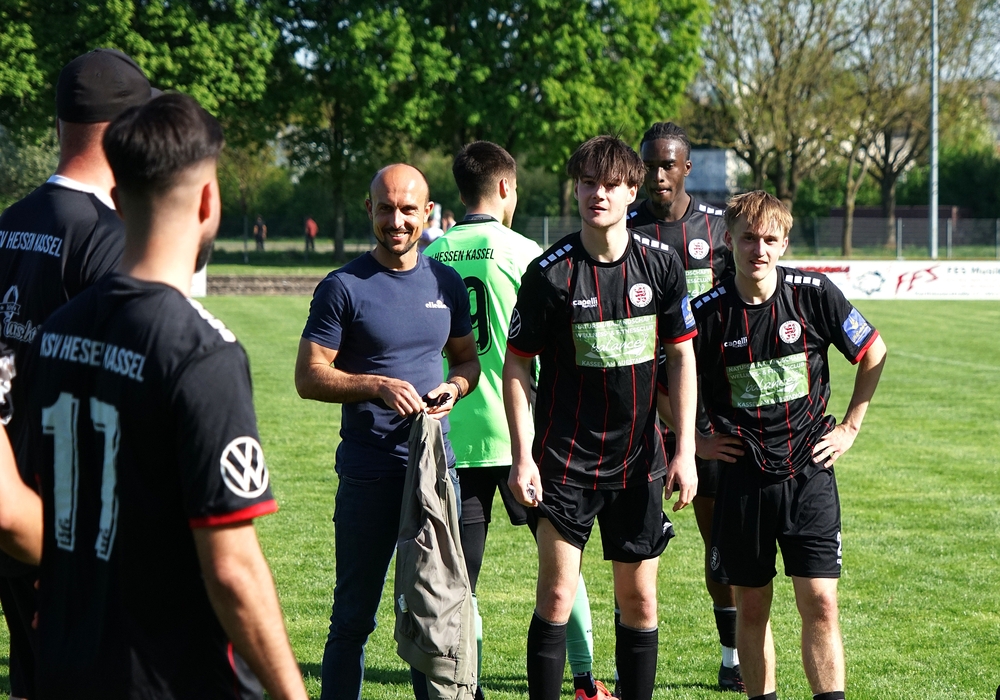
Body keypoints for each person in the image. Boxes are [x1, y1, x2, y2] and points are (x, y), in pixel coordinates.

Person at [0, 93, 308, 699]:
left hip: (67, 668)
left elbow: (33, 513)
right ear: (208, 201)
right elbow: (232, 569)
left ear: (115, 199)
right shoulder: (202, 354)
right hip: (170, 679)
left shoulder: (54, 333)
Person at [504, 135, 699, 700]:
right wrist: (522, 457)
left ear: (632, 190)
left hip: (639, 463)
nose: (598, 194)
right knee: (556, 596)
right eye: (588, 183)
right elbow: (516, 366)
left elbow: (681, 355)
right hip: (565, 461)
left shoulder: (661, 265)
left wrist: (685, 449)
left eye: (611, 184)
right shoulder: (549, 274)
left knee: (640, 601)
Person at [425, 141, 607, 700]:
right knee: (562, 566)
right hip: (525, 433)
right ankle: (584, 679)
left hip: (455, 435)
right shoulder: (527, 252)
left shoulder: (433, 253)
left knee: (462, 581)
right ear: (505, 187)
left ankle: (470, 686)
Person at [0, 47, 155, 700]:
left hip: (11, 504)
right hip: (72, 524)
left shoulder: (10, 223)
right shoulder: (110, 237)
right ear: (126, 132)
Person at [294, 163, 481, 700]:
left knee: (434, 610)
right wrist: (375, 385)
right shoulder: (343, 286)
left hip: (433, 474)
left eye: (407, 210)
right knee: (353, 618)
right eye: (385, 209)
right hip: (369, 475)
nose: (395, 221)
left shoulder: (446, 282)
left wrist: (455, 388)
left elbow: (466, 361)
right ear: (369, 209)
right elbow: (309, 376)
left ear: (428, 213)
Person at [691, 191, 887, 700]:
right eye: (748, 239)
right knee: (753, 606)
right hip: (744, 478)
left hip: (809, 474)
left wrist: (850, 427)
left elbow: (874, 351)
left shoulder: (814, 294)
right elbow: (666, 381)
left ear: (784, 242)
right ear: (729, 241)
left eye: (769, 239)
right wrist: (695, 439)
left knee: (820, 602)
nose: (758, 249)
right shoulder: (706, 314)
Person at [625, 121, 741, 692]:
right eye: (649, 165)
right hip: (641, 407)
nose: (658, 175)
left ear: (686, 168)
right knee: (632, 544)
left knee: (717, 538)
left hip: (708, 407)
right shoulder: (623, 228)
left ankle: (732, 656)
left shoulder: (719, 229)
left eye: (668, 164)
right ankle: (626, 663)